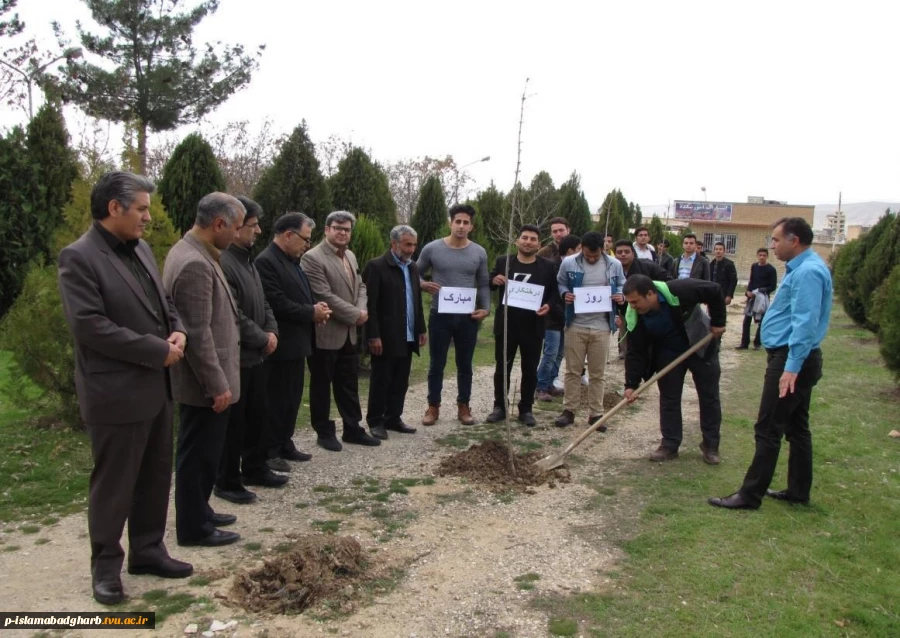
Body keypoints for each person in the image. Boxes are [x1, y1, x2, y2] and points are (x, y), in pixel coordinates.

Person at [58, 171, 192, 605]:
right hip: (116, 393)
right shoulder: (78, 257)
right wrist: (155, 350)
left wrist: (178, 331)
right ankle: (106, 569)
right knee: (115, 483)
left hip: (157, 388)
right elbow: (90, 326)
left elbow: (164, 304)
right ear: (114, 208)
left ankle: (148, 551)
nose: (148, 217)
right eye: (142, 209)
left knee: (155, 474)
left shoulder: (145, 251)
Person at [709, 218, 831, 510]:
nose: (772, 245)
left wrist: (791, 367)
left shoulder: (808, 272)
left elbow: (804, 323)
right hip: (792, 356)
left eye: (776, 240)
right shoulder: (802, 268)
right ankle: (798, 491)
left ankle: (750, 495)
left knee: (768, 428)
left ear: (795, 241)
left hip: (792, 358)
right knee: (797, 426)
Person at [163, 193, 245, 548]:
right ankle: (194, 528)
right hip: (204, 385)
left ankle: (201, 510)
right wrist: (217, 385)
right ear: (219, 224)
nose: (239, 235)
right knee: (197, 455)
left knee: (205, 453)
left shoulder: (197, 252)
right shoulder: (195, 262)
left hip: (209, 381)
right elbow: (197, 333)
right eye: (237, 227)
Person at [215, 196, 286, 506]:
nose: (258, 231)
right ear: (236, 226)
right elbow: (233, 313)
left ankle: (255, 468)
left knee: (257, 416)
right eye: (253, 226)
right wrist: (261, 336)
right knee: (234, 425)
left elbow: (263, 301)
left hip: (258, 354)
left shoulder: (247, 259)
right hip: (238, 356)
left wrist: (271, 331)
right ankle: (227, 480)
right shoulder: (224, 261)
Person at [622, 274, 726, 464]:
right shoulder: (634, 315)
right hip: (668, 352)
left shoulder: (680, 289)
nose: (633, 306)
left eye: (636, 301)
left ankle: (711, 445)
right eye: (630, 302)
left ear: (651, 294)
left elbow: (714, 290)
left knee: (709, 396)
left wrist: (718, 322)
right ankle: (670, 444)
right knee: (669, 398)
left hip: (700, 344)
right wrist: (631, 384)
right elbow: (636, 352)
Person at [301, 211, 380, 450]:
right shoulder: (312, 258)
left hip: (349, 333)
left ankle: (352, 428)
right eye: (337, 228)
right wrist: (355, 314)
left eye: (346, 229)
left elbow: (361, 286)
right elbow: (323, 295)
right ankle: (324, 432)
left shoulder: (352, 256)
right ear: (326, 230)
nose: (342, 233)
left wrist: (361, 309)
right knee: (322, 385)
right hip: (325, 333)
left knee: (349, 383)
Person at [256, 213, 330, 467]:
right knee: (275, 399)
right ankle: (270, 449)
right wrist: (311, 312)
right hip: (280, 344)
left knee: (292, 398)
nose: (307, 245)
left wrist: (314, 307)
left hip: (298, 343)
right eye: (305, 239)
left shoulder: (292, 260)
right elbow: (276, 302)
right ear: (288, 235)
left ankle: (285, 442)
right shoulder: (266, 262)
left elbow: (298, 294)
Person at [416, 204, 491, 426]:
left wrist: (485, 308)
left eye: (465, 222)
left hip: (468, 317)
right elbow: (414, 272)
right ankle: (433, 406)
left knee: (465, 364)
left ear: (471, 226)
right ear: (450, 223)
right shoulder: (432, 248)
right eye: (457, 221)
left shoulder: (479, 252)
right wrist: (422, 285)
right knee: (436, 363)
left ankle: (464, 406)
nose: (461, 226)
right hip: (440, 314)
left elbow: (484, 283)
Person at [485, 225, 557, 425]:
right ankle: (500, 406)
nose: (528, 241)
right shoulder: (503, 261)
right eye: (524, 237)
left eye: (533, 239)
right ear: (517, 241)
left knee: (529, 369)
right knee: (502, 368)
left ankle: (526, 409)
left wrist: (548, 306)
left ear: (538, 244)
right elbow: (489, 282)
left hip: (533, 326)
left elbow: (553, 293)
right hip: (506, 326)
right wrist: (495, 280)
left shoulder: (547, 266)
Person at [362, 225, 426, 439]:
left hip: (407, 334)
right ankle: (375, 420)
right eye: (408, 244)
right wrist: (373, 334)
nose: (411, 249)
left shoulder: (413, 267)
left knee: (401, 379)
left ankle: (393, 417)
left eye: (414, 245)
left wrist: (421, 329)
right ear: (394, 243)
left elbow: (417, 301)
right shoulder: (376, 266)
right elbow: (370, 305)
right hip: (385, 336)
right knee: (381, 380)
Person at [555, 231, 625, 427]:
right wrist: (565, 294)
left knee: (597, 373)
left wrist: (620, 295)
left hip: (602, 326)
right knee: (572, 371)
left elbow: (622, 283)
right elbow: (560, 282)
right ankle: (569, 410)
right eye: (588, 255)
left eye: (595, 255)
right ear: (581, 249)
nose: (592, 259)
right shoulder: (569, 262)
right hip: (575, 324)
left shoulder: (614, 264)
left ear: (602, 249)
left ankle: (596, 414)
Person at [536, 234, 581, 401]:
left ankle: (549, 383)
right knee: (550, 352)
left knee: (560, 353)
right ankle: (540, 386)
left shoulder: (574, 266)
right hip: (551, 317)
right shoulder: (554, 265)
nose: (581, 253)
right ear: (570, 251)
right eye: (578, 249)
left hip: (565, 317)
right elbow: (553, 293)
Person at [736, 248, 778, 350]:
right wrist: (748, 292)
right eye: (760, 255)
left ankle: (757, 343)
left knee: (761, 321)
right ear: (757, 256)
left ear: (767, 256)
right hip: (752, 299)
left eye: (764, 255)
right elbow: (751, 281)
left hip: (763, 299)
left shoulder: (771, 269)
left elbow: (772, 286)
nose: (762, 257)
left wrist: (761, 291)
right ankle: (744, 343)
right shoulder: (754, 266)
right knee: (746, 321)